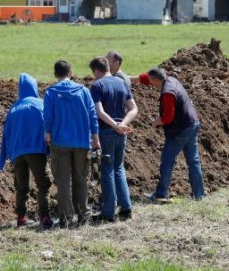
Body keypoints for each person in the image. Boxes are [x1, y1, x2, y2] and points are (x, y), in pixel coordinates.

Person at [131, 67, 204, 201]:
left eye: (151, 82)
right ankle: (198, 195)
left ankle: (160, 194)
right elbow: (149, 79)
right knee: (193, 161)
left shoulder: (167, 93)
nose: (151, 85)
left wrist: (155, 123)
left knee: (167, 161)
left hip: (181, 128)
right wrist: (131, 79)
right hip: (192, 122)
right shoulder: (171, 79)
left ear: (156, 80)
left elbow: (168, 117)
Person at [44, 60, 100, 228]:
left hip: (59, 142)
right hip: (82, 142)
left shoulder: (51, 92)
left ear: (55, 74)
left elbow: (48, 116)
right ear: (70, 73)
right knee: (81, 179)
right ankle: (83, 214)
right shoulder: (83, 91)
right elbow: (92, 114)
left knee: (62, 181)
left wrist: (47, 133)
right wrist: (95, 136)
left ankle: (66, 218)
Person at [0, 73, 53, 229]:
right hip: (35, 150)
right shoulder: (39, 104)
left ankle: (21, 219)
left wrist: (2, 159)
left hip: (16, 154)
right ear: (34, 87)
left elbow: (5, 135)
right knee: (44, 184)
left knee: (22, 187)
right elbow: (47, 125)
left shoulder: (13, 109)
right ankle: (44, 217)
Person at [88, 57, 138, 223]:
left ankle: (108, 213)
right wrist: (122, 124)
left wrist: (115, 125)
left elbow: (99, 112)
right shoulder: (121, 82)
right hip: (120, 132)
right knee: (118, 168)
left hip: (106, 131)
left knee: (107, 170)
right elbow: (133, 108)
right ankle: (126, 208)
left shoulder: (97, 85)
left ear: (96, 71)